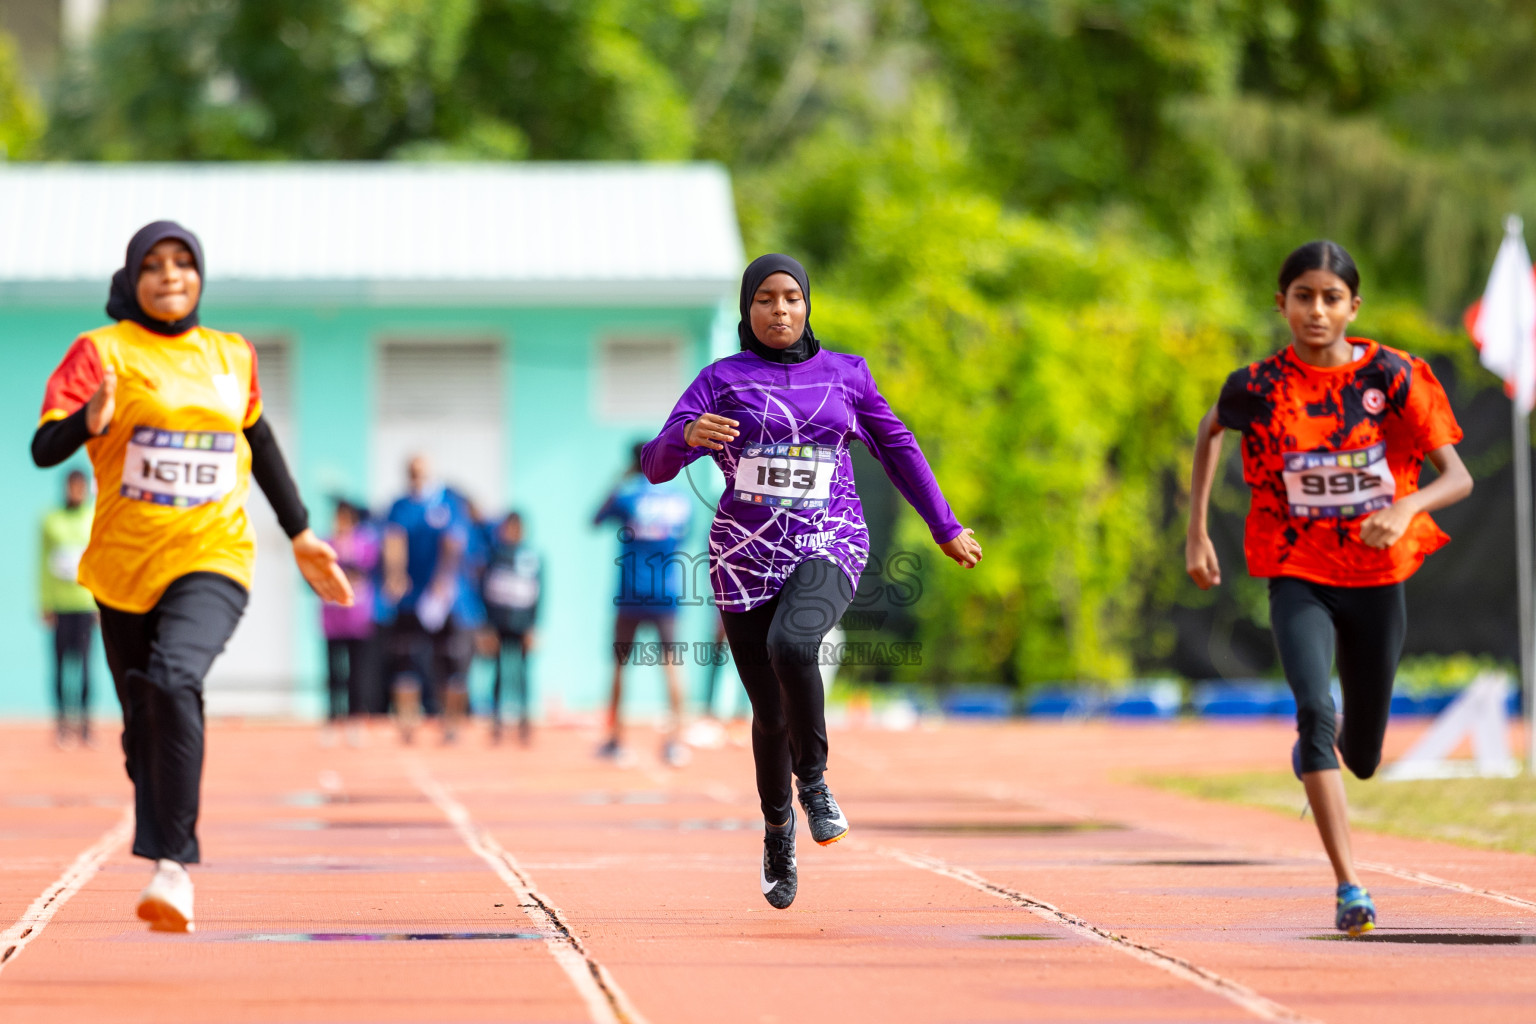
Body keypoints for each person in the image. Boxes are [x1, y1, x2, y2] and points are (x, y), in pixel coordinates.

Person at [30, 220, 352, 933]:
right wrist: (89, 419)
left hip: (213, 555)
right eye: (153, 264)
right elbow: (42, 449)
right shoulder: (102, 352)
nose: (170, 275)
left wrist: (299, 533)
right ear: (131, 280)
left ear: (201, 275)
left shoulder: (231, 356)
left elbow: (259, 441)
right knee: (144, 720)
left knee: (176, 679)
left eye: (183, 263)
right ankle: (158, 788)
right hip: (121, 570)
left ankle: (172, 866)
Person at [642, 254, 982, 908]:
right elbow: (654, 464)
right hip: (742, 557)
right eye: (765, 299)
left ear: (807, 306)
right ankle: (777, 828)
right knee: (767, 712)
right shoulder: (720, 381)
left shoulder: (846, 375)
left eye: (791, 298)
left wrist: (944, 525)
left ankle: (815, 784)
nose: (779, 311)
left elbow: (899, 447)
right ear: (747, 310)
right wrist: (686, 434)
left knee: (794, 647)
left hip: (831, 541)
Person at [1186, 240, 1473, 937]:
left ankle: (1330, 749)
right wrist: (1196, 532)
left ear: (1353, 306)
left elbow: (1458, 477)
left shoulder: (1393, 376)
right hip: (1297, 573)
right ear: (1281, 303)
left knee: (1365, 756)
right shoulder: (1255, 385)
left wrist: (1405, 508)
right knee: (1315, 709)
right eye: (1303, 296)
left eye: (1331, 297)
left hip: (1377, 577)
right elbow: (1210, 429)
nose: (1317, 310)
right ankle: (1350, 887)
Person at [593, 443, 695, 767]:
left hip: (631, 593)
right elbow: (684, 537)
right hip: (667, 593)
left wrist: (619, 480)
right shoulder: (679, 499)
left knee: (621, 667)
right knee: (673, 666)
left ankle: (615, 740)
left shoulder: (627, 495)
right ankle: (675, 742)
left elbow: (596, 518)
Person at [381, 455, 471, 743]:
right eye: (411, 472)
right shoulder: (400, 506)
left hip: (440, 599)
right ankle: (407, 724)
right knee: (405, 660)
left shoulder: (446, 502)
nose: (416, 477)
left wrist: (442, 583)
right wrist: (395, 575)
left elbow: (453, 544)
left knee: (448, 661)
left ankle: (451, 724)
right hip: (410, 598)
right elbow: (393, 540)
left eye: (421, 472)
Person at [39, 468, 97, 748]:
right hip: (61, 606)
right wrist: (45, 602)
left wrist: (100, 602)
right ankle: (62, 724)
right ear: (66, 488)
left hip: (85, 604)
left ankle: (85, 725)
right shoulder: (51, 521)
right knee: (60, 667)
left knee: (86, 668)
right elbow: (42, 565)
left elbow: (100, 562)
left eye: (80, 487)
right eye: (72, 487)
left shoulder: (93, 519)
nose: (76, 492)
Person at [321, 500, 380, 745]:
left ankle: (355, 719)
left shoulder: (364, 544)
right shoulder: (326, 544)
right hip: (333, 620)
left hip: (357, 620)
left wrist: (349, 556)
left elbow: (369, 568)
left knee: (357, 673)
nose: (340, 523)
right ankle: (334, 719)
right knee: (334, 673)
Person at [481, 511, 542, 745]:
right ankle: (496, 719)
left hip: (522, 623)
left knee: (522, 674)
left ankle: (524, 720)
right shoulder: (494, 556)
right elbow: (485, 590)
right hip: (499, 624)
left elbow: (539, 594)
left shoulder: (532, 557)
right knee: (498, 673)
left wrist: (534, 627)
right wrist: (486, 626)